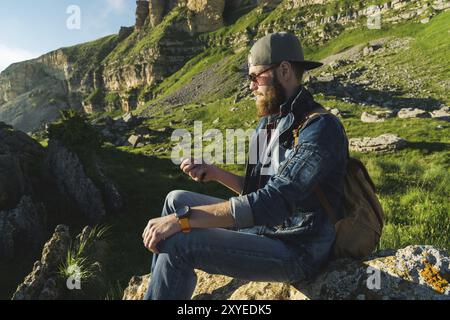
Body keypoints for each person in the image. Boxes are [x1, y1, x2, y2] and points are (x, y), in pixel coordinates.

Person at [142, 32, 349, 300]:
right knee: (175, 199)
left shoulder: (321, 128)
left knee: (179, 239)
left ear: (284, 70)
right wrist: (215, 173)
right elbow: (256, 190)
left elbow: (272, 201)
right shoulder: (269, 123)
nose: (250, 86)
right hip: (266, 229)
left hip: (298, 248)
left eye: (255, 77)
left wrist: (184, 220)